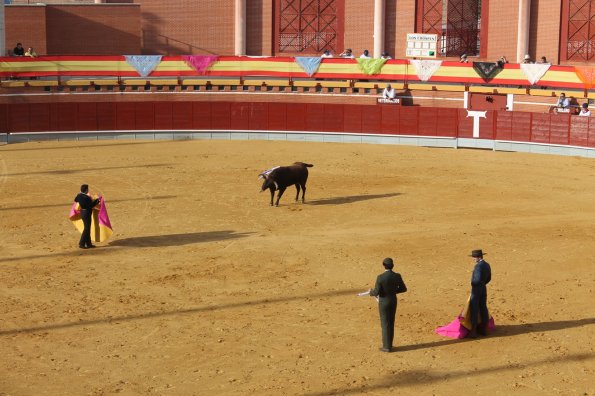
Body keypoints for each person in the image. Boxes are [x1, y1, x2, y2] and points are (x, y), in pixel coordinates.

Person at [369, 257, 407, 352]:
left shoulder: (380, 277)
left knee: (385, 323)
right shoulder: (397, 276)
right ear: (392, 266)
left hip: (383, 302)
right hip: (393, 301)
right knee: (391, 322)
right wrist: (392, 292)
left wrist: (371, 292)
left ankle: (386, 347)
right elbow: (403, 289)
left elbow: (376, 292)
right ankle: (390, 344)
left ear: (384, 266)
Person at [468, 249, 491, 338]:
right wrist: (483, 283)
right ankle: (484, 329)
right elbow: (489, 278)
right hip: (483, 288)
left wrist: (473, 284)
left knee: (474, 308)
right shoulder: (487, 265)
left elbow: (476, 280)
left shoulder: (478, 267)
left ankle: (473, 331)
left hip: (476, 289)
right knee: (483, 307)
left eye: (474, 257)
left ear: (478, 257)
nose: (473, 259)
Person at [74, 184, 100, 249]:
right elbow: (91, 205)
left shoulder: (79, 195)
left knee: (87, 228)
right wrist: (97, 201)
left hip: (82, 213)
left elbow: (76, 200)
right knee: (87, 228)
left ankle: (88, 244)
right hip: (87, 213)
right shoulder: (87, 197)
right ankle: (81, 243)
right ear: (86, 190)